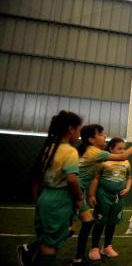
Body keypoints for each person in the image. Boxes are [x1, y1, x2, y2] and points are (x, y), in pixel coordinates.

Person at [72, 124, 132, 265]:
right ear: (91, 139)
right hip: (72, 192)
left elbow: (128, 174)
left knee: (87, 222)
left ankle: (79, 257)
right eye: (101, 134)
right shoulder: (95, 153)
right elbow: (124, 156)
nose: (105, 136)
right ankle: (90, 250)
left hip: (81, 193)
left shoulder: (93, 153)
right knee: (66, 229)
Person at [17, 110, 83, 266]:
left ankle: (28, 253)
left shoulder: (49, 148)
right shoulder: (70, 151)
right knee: (50, 247)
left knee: (46, 240)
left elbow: (37, 179)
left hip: (44, 197)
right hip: (59, 201)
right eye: (78, 130)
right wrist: (79, 199)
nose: (79, 135)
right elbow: (72, 180)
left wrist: (38, 200)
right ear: (71, 129)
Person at [88, 137, 132, 260]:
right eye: (119, 148)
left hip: (118, 198)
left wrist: (127, 188)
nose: (123, 151)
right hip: (103, 196)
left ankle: (107, 247)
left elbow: (129, 178)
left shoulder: (126, 162)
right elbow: (96, 179)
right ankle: (94, 248)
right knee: (100, 222)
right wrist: (91, 195)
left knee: (112, 223)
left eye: (124, 148)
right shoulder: (103, 161)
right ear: (111, 148)